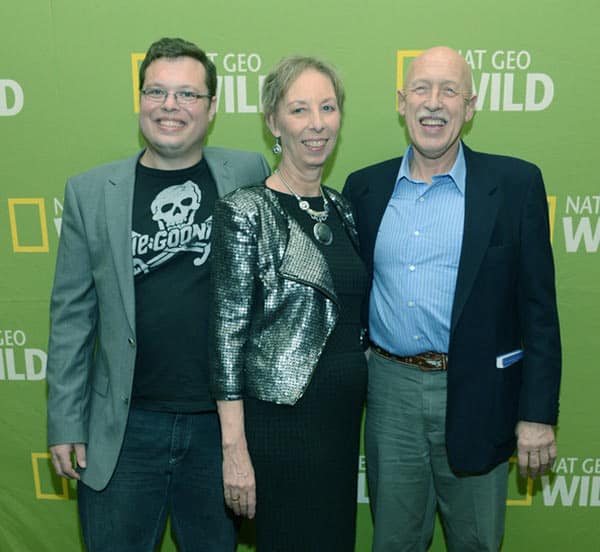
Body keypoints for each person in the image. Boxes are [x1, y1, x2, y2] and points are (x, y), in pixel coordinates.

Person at [46, 37, 270, 551]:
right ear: (140, 99)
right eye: (157, 92)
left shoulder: (248, 174)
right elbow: (71, 318)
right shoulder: (89, 192)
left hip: (220, 430)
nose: (170, 106)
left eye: (188, 95)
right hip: (123, 431)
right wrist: (64, 420)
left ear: (212, 108)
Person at [343, 46, 561, 551]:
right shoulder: (365, 188)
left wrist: (537, 415)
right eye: (421, 89)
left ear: (471, 105)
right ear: (401, 102)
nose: (433, 103)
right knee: (394, 542)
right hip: (389, 393)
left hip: (479, 392)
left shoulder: (515, 184)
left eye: (449, 91)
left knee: (477, 542)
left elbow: (539, 314)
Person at [209, 56, 367, 551]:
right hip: (280, 426)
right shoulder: (245, 210)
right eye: (299, 110)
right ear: (273, 121)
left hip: (341, 423)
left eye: (328, 107)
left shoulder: (341, 207)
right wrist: (234, 450)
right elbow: (226, 337)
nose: (317, 124)